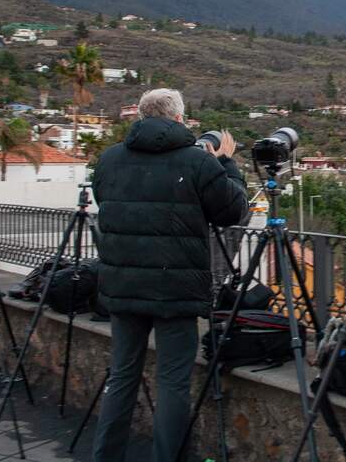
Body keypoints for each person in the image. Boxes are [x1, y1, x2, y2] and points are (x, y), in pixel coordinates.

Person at [92, 88, 249, 462]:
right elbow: (233, 210)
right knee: (173, 382)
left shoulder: (109, 160)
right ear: (180, 118)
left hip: (123, 286)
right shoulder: (197, 162)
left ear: (142, 117)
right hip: (175, 290)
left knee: (122, 376)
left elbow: (106, 203)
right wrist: (226, 162)